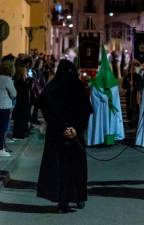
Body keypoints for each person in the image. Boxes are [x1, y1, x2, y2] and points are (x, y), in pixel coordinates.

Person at [37, 59, 93, 213]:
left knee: (63, 169)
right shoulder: (78, 87)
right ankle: (75, 198)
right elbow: (84, 111)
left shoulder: (52, 88)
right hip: (69, 135)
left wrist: (65, 128)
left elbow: (47, 111)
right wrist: (75, 129)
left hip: (58, 135)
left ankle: (65, 202)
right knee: (74, 168)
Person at [87, 47, 125, 146]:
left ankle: (108, 140)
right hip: (101, 108)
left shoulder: (112, 82)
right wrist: (104, 98)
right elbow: (94, 95)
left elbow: (115, 93)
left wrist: (109, 98)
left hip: (109, 108)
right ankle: (99, 139)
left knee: (109, 123)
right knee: (102, 123)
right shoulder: (96, 83)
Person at [0, 60, 17, 157]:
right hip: (4, 107)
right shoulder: (7, 79)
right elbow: (14, 94)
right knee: (3, 129)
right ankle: (1, 149)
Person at [12, 62, 31, 139]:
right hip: (21, 102)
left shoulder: (21, 80)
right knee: (20, 119)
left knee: (22, 119)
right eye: (25, 71)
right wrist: (30, 81)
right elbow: (26, 89)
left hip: (22, 102)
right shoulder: (20, 81)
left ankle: (21, 132)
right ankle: (19, 134)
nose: (26, 72)